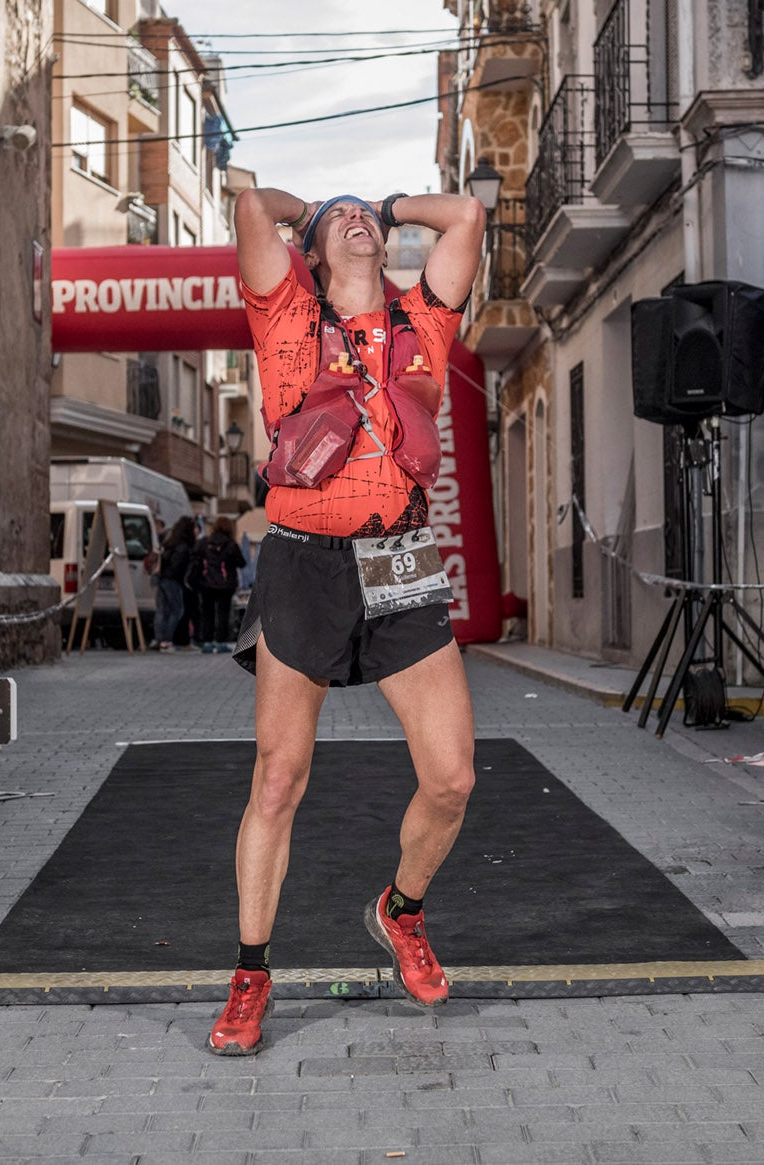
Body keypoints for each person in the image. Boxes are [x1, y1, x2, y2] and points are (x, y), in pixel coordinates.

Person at [206, 187, 483, 1056]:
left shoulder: (423, 322)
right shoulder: (284, 308)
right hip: (303, 561)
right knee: (278, 780)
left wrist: (391, 201)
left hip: (400, 556)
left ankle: (401, 910)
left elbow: (468, 217)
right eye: (340, 218)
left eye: (371, 217)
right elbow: (252, 204)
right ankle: (251, 973)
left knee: (452, 779)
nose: (360, 219)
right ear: (313, 249)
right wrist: (314, 207)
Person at [191, 516, 245, 653]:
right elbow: (242, 563)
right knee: (223, 614)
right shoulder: (231, 544)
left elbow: (195, 558)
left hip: (206, 583)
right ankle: (220, 642)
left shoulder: (204, 542)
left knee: (207, 613)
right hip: (226, 585)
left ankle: (207, 642)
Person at [155, 516, 197, 652]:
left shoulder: (170, 542)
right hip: (172, 581)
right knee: (177, 610)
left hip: (162, 579)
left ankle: (160, 640)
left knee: (163, 611)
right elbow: (177, 566)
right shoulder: (183, 546)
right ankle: (166, 641)